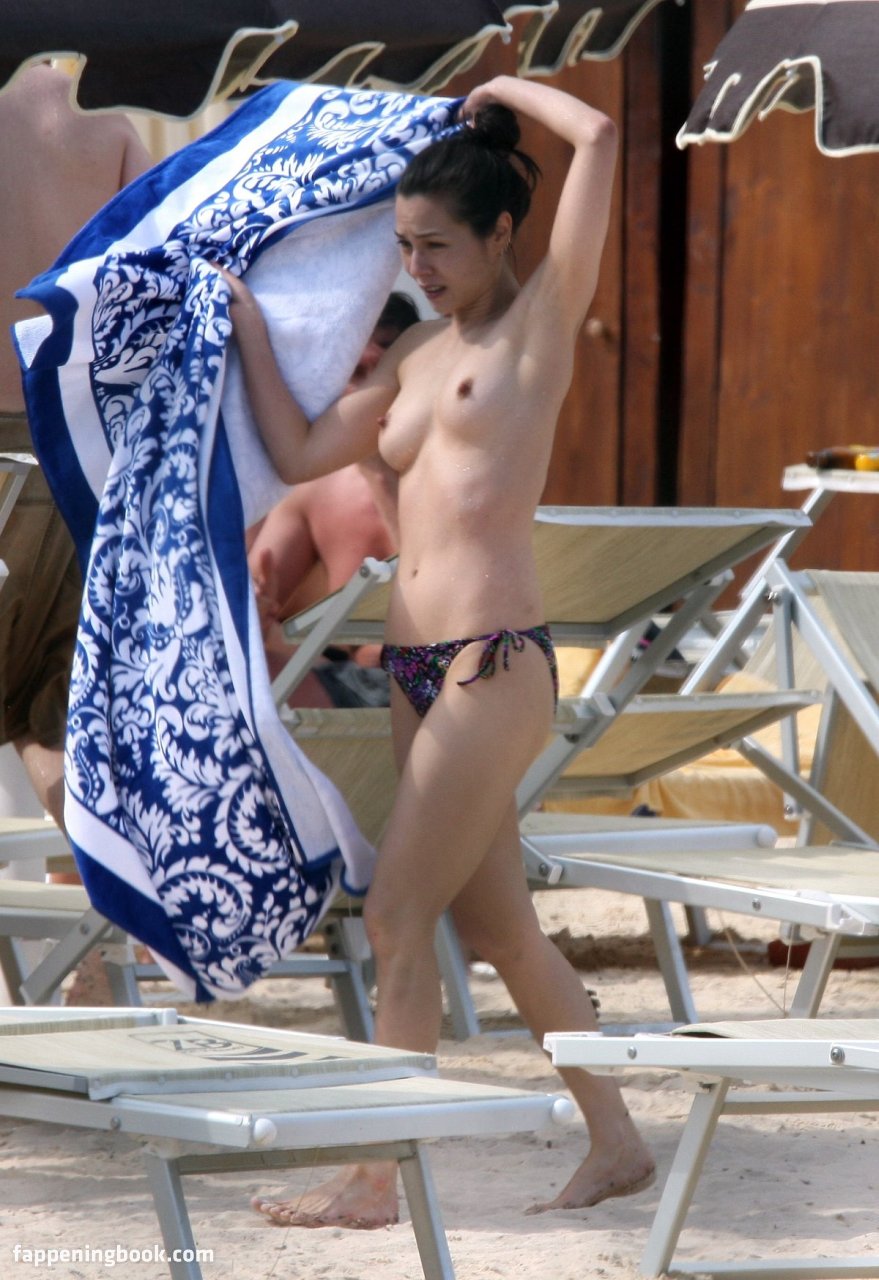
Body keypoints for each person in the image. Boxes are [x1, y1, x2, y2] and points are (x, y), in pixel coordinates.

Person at [222, 74, 655, 1226]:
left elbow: (599, 133)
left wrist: (499, 87)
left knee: (396, 915)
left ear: (503, 232)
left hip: (491, 664)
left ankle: (376, 1174)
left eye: (438, 246)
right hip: (416, 671)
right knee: (497, 925)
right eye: (406, 246)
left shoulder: (539, 327)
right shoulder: (414, 353)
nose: (418, 265)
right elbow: (299, 450)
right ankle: (618, 1140)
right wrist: (250, 325)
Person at [0, 64, 153, 1000]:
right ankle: (103, 958)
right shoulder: (96, 109)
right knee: (50, 719)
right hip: (76, 443)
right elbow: (144, 279)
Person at [246, 293, 419, 706]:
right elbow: (252, 601)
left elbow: (436, 594)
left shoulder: (456, 470)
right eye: (356, 372)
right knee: (228, 674)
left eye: (383, 373)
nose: (370, 396)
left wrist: (378, 472)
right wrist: (256, 612)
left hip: (451, 674)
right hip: (361, 686)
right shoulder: (315, 491)